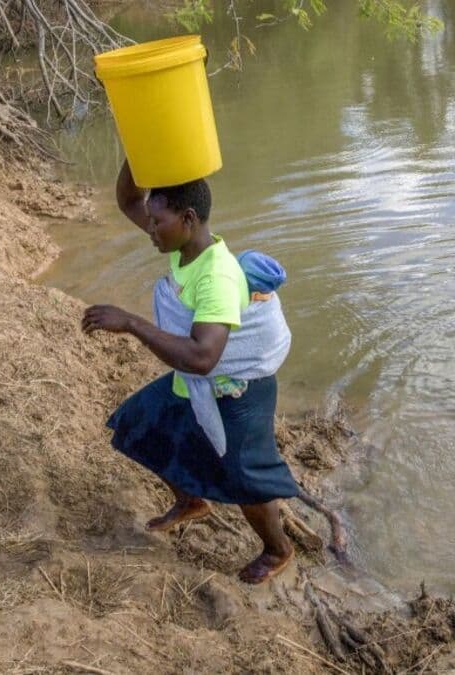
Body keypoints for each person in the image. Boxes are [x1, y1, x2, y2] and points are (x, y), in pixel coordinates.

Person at [81, 160, 298, 584]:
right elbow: (128, 199)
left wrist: (130, 323)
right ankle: (192, 501)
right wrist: (140, 147)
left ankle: (278, 550)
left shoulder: (215, 276)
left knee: (246, 479)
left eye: (156, 222)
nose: (149, 230)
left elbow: (202, 357)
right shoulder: (183, 247)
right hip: (198, 384)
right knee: (140, 425)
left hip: (237, 390)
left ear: (188, 218)